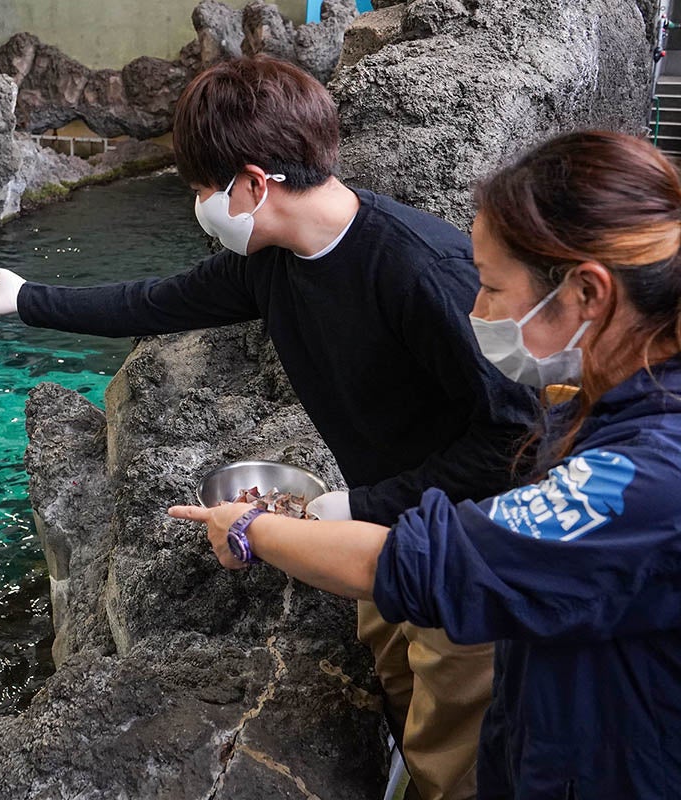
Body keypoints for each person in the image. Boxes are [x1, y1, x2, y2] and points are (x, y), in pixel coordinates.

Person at [0, 56, 537, 800]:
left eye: (200, 188)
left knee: (459, 756)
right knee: (399, 697)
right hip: (380, 537)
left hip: (464, 553)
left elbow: (517, 444)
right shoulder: (272, 260)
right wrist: (30, 300)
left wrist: (350, 507)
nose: (197, 204)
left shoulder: (422, 271)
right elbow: (153, 302)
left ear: (254, 183)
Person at [170, 129, 681, 797]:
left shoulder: (647, 477)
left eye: (493, 288)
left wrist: (249, 528)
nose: (476, 310)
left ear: (588, 293)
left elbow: (409, 562)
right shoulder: (619, 399)